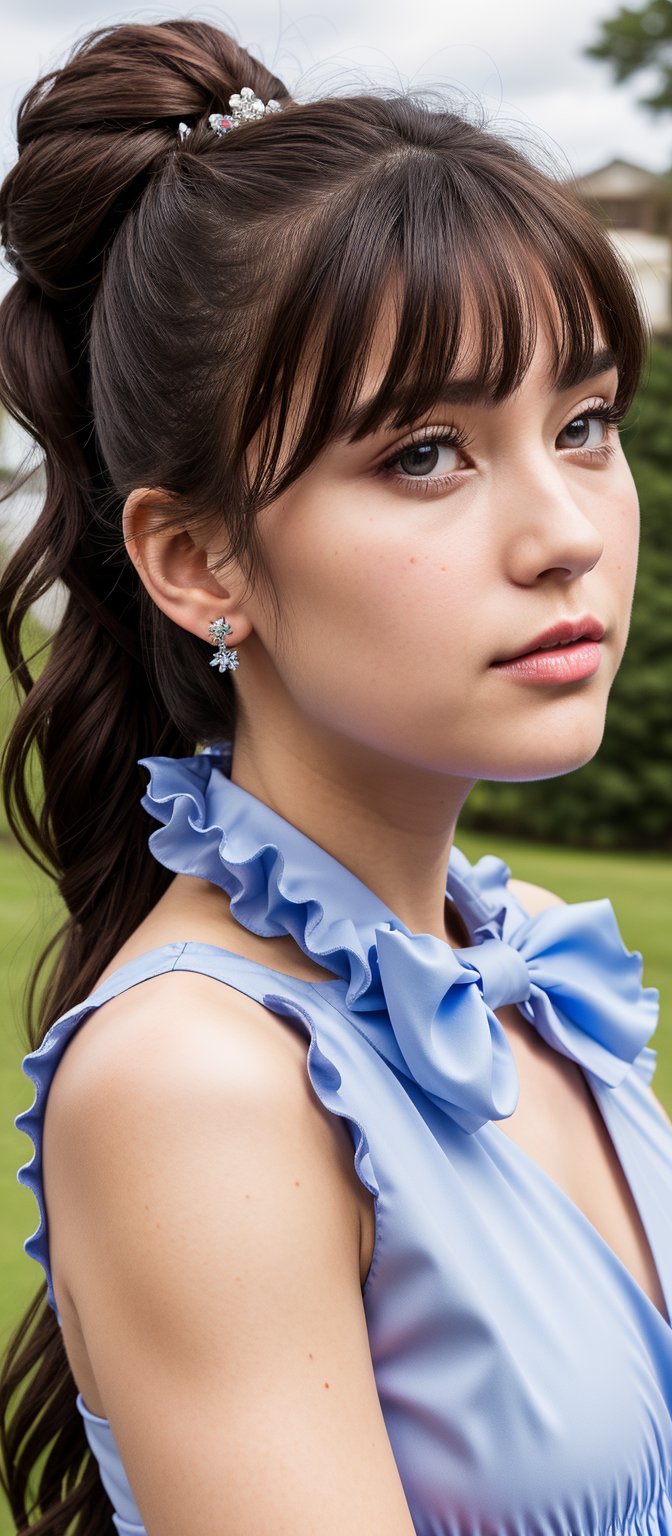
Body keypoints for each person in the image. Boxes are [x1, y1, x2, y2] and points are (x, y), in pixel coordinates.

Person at [0, 16, 670, 1535]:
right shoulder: (203, 1080)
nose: (566, 530)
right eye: (426, 451)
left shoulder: (522, 967)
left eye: (582, 425)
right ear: (198, 559)